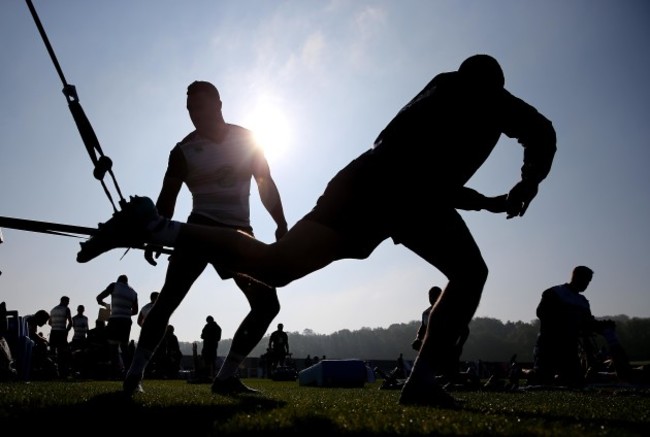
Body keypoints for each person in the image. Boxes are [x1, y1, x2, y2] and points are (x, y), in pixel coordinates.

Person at [77, 54, 557, 407]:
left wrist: (500, 195)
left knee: (274, 272)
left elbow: (425, 178)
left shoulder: (440, 91)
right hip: (390, 194)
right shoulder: (482, 96)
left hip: (362, 185)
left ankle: (157, 228)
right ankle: (424, 380)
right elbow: (537, 132)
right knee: (469, 273)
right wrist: (527, 182)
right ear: (493, 85)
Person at [116, 80, 287, 396]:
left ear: (219, 104)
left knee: (266, 305)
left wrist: (281, 223)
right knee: (167, 301)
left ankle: (225, 379)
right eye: (190, 109)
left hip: (238, 236)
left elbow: (265, 183)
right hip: (199, 230)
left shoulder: (248, 140)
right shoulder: (182, 150)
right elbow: (167, 199)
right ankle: (133, 376)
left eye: (200, 106)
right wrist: (157, 231)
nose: (195, 114)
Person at [532, 266, 616, 388]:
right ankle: (522, 373)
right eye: (586, 280)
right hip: (548, 345)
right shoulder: (554, 292)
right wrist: (571, 321)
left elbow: (587, 324)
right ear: (576, 276)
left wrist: (602, 326)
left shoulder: (583, 301)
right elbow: (542, 313)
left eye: (589, 282)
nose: (587, 284)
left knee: (574, 382)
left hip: (569, 348)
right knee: (543, 380)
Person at [96, 274, 138, 378]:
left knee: (113, 346)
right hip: (126, 321)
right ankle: (128, 371)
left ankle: (117, 371)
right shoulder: (133, 292)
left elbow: (99, 297)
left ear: (118, 280)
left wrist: (104, 304)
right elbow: (136, 311)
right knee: (124, 347)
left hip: (115, 319)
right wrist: (126, 313)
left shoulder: (114, 286)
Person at [49, 296, 72, 378]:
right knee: (62, 353)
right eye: (68, 301)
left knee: (53, 352)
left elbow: (49, 322)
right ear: (64, 301)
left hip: (53, 332)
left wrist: (55, 326)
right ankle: (62, 372)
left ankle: (53, 371)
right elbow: (70, 323)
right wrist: (66, 331)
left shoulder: (53, 309)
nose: (68, 303)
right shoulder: (66, 309)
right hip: (62, 332)